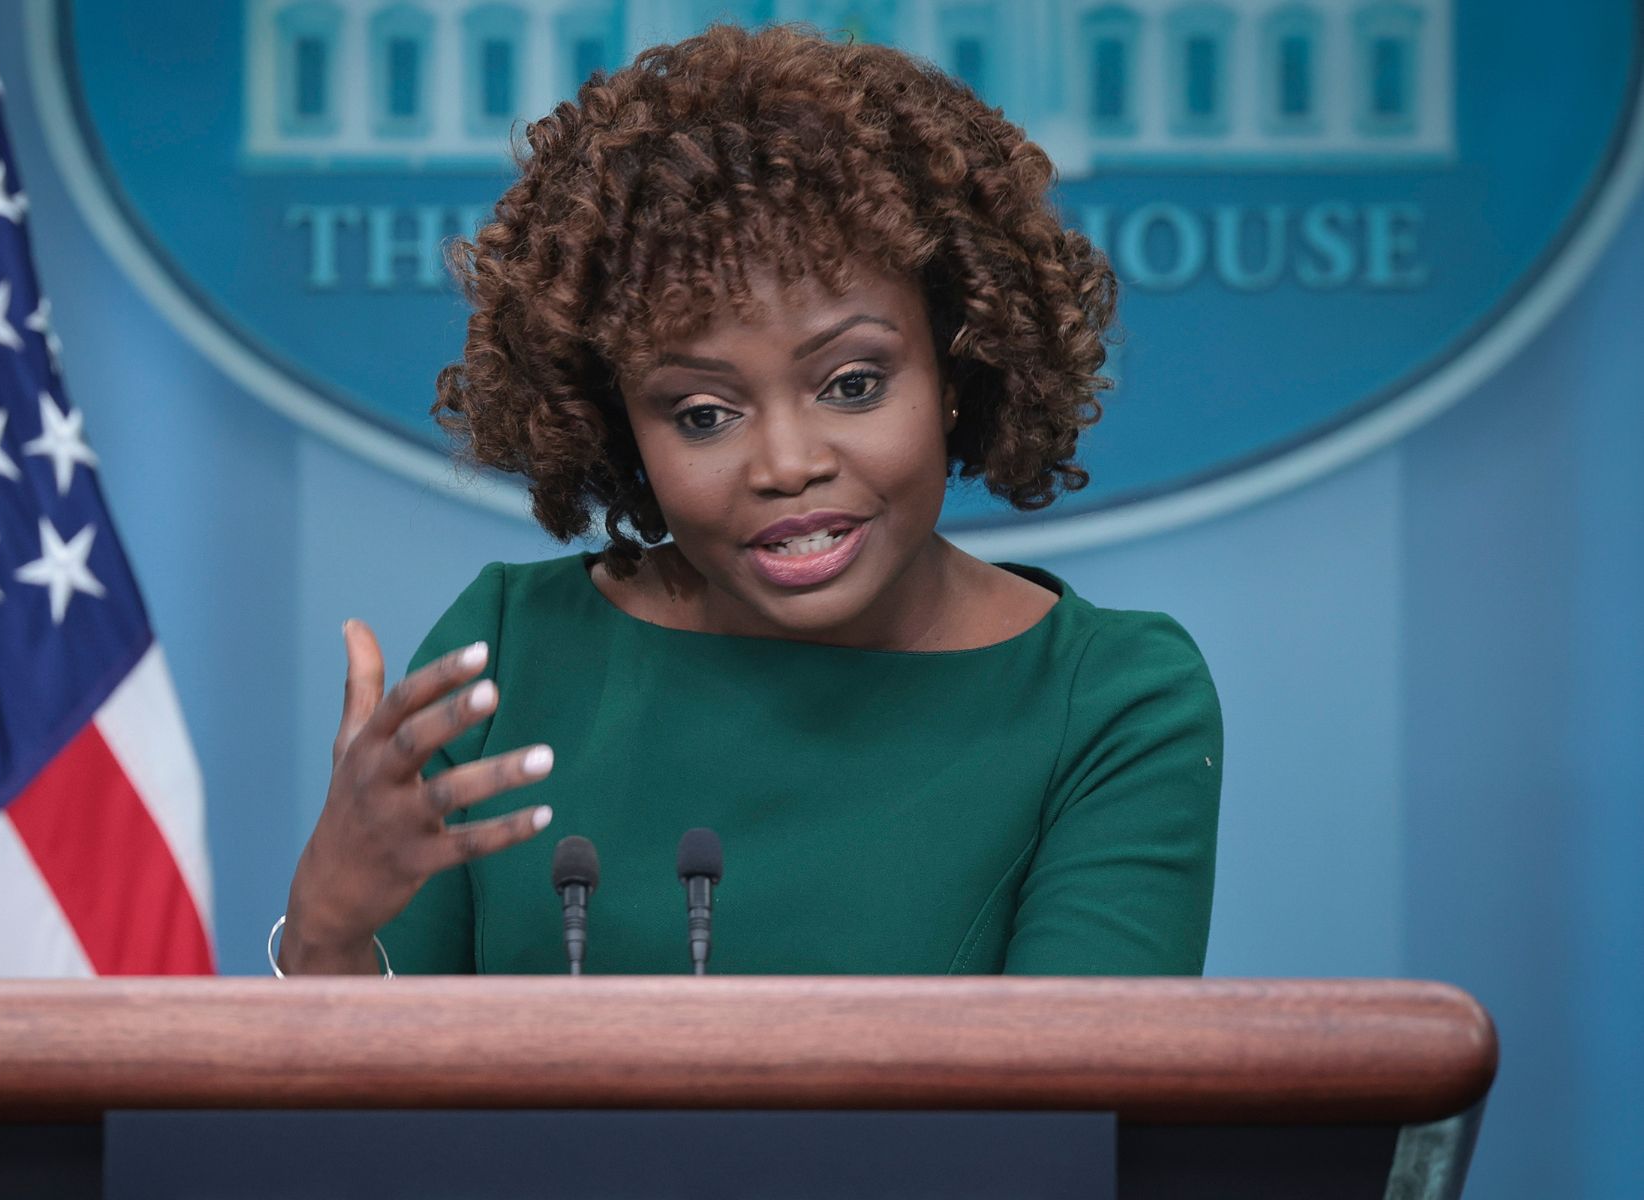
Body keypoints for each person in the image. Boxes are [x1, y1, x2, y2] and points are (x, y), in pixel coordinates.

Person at [275, 23, 1223, 977]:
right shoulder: (510, 654)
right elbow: (359, 1111)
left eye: (852, 383)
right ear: (618, 428)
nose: (784, 463)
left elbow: (1070, 1113)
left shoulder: (1110, 699)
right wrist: (328, 925)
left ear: (958, 366)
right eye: (701, 413)